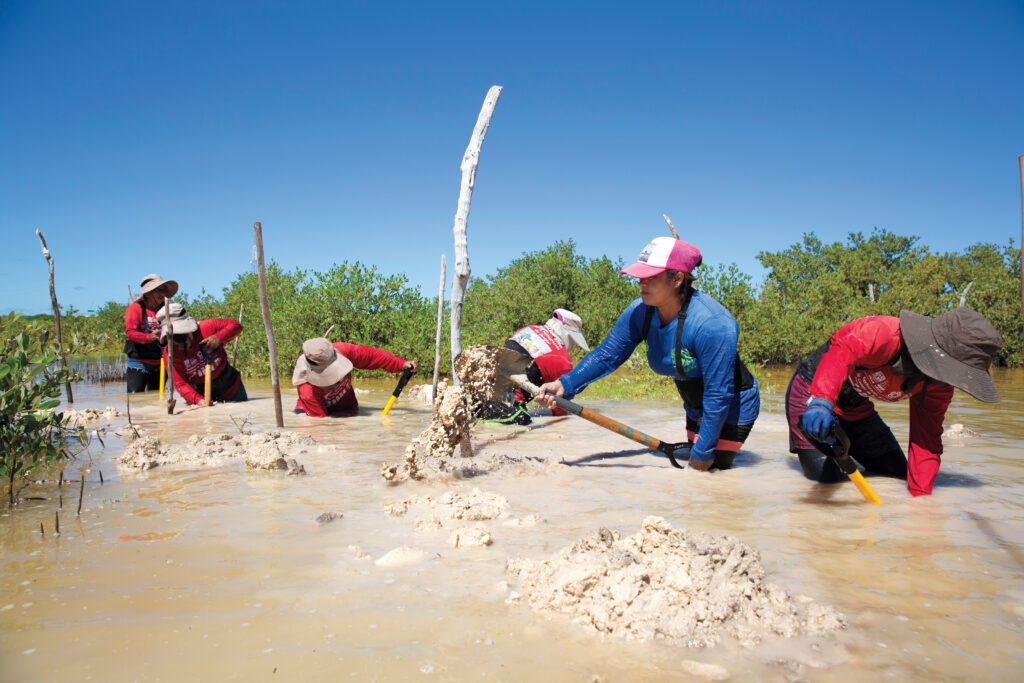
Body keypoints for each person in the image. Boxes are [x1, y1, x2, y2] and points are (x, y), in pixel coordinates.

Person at [536, 237, 760, 470]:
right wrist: (564, 384)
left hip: (732, 400)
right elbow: (607, 355)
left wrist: (703, 453)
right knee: (695, 468)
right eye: (640, 276)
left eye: (650, 276)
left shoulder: (713, 324)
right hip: (694, 401)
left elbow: (718, 394)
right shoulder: (640, 312)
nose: (641, 283)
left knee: (713, 469)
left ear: (678, 278)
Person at [786, 307, 1003, 497]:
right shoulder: (887, 333)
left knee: (898, 475)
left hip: (856, 409)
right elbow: (842, 352)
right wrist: (821, 402)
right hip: (811, 396)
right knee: (828, 483)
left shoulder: (939, 387)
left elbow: (926, 444)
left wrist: (921, 506)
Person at [476, 309, 590, 425]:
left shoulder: (528, 329)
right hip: (507, 406)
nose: (574, 346)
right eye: (574, 341)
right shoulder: (563, 360)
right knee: (525, 432)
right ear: (568, 336)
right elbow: (559, 412)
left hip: (479, 395)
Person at [292, 337, 417, 417]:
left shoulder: (343, 350)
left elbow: (372, 356)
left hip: (348, 408)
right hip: (309, 413)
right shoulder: (307, 390)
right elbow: (323, 427)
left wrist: (401, 363)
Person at [157, 302, 246, 405]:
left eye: (179, 337)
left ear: (189, 331)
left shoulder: (206, 327)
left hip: (230, 385)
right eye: (172, 340)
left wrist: (218, 338)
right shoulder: (170, 353)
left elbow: (236, 326)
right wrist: (198, 400)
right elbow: (180, 384)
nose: (178, 345)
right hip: (200, 391)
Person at [123, 274, 177, 393]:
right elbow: (130, 333)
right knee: (135, 396)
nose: (163, 294)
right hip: (139, 362)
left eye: (164, 290)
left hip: (160, 361)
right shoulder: (135, 308)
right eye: (159, 290)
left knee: (157, 395)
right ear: (148, 293)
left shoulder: (166, 309)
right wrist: (149, 337)